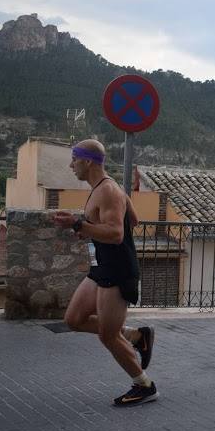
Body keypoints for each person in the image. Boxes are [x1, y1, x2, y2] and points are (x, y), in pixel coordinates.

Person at [52, 139, 158, 407]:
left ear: (88, 162)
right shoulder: (107, 189)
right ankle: (136, 335)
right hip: (101, 267)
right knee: (74, 319)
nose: (71, 165)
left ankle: (144, 386)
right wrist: (88, 226)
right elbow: (133, 220)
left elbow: (116, 233)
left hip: (118, 271)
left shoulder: (108, 190)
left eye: (74, 159)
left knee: (108, 336)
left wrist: (79, 224)